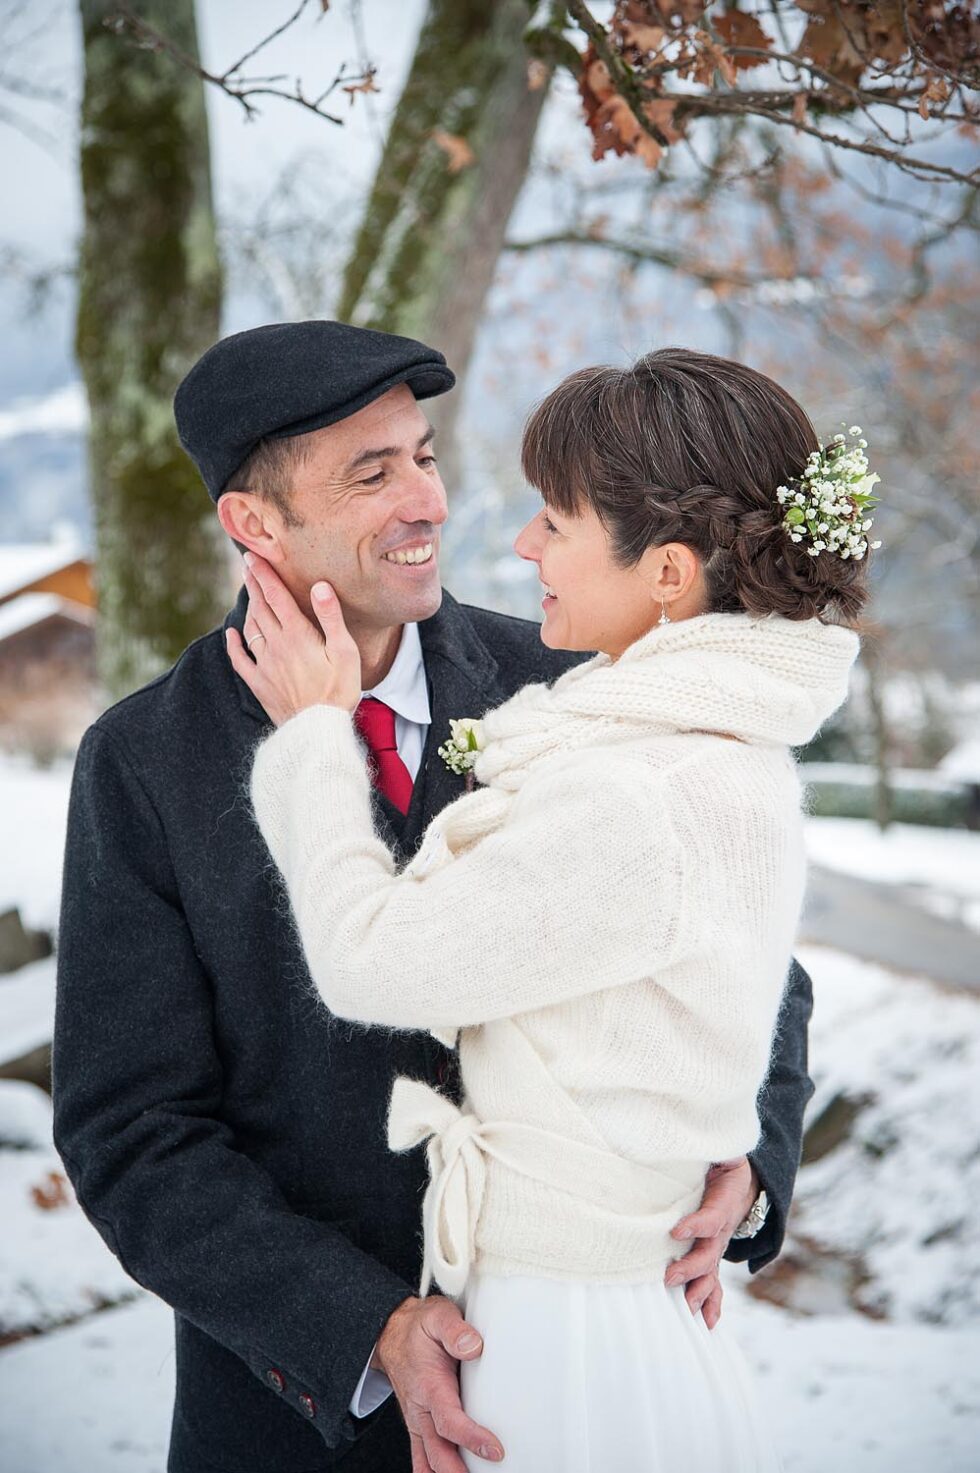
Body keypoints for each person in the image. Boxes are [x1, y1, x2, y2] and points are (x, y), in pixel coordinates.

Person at [54, 324, 817, 1473]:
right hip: (301, 1421)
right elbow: (131, 1131)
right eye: (371, 475)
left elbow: (750, 955)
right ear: (254, 525)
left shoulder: (572, 676)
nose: (426, 502)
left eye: (422, 455)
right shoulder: (146, 760)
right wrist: (360, 1325)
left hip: (572, 1367)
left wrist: (749, 1158)